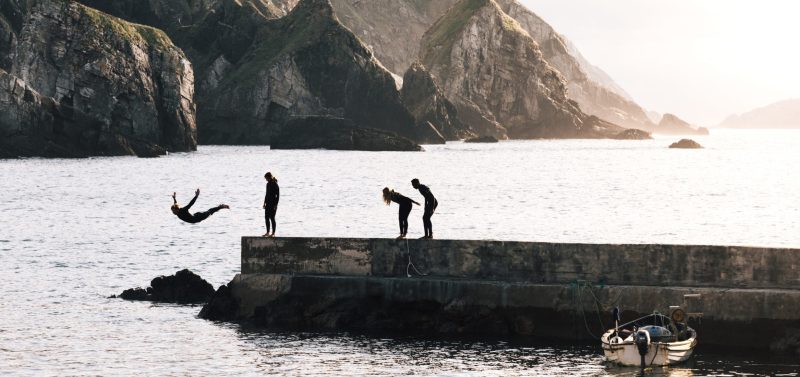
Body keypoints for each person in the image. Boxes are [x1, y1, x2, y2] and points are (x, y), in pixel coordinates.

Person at [263, 172, 280, 237]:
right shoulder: (267, 184)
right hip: (268, 203)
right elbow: (266, 194)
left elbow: (278, 195)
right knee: (266, 217)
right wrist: (264, 203)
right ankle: (267, 232)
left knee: (272, 218)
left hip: (273, 204)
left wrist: (276, 204)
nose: (266, 179)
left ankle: (273, 233)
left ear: (269, 177)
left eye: (266, 178)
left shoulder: (275, 184)